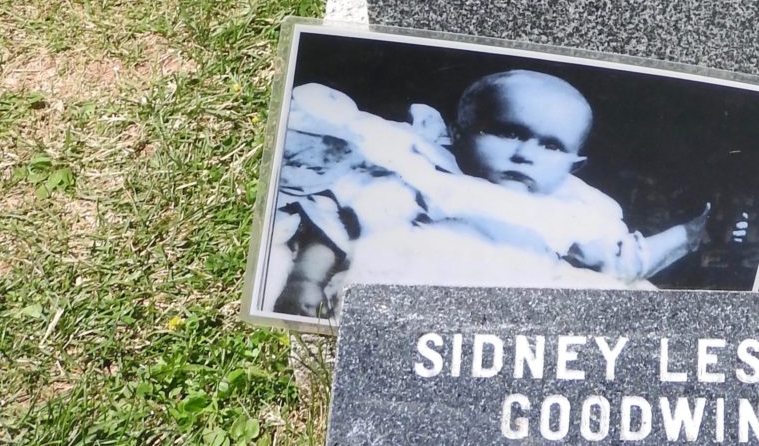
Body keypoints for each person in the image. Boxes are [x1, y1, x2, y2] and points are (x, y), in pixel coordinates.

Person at [265, 67, 709, 320]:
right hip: (415, 272)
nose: (524, 154)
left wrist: (681, 238)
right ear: (458, 133)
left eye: (550, 145)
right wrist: (307, 279)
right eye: (505, 132)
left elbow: (615, 263)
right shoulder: (423, 169)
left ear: (575, 166)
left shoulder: (574, 207)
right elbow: (339, 222)